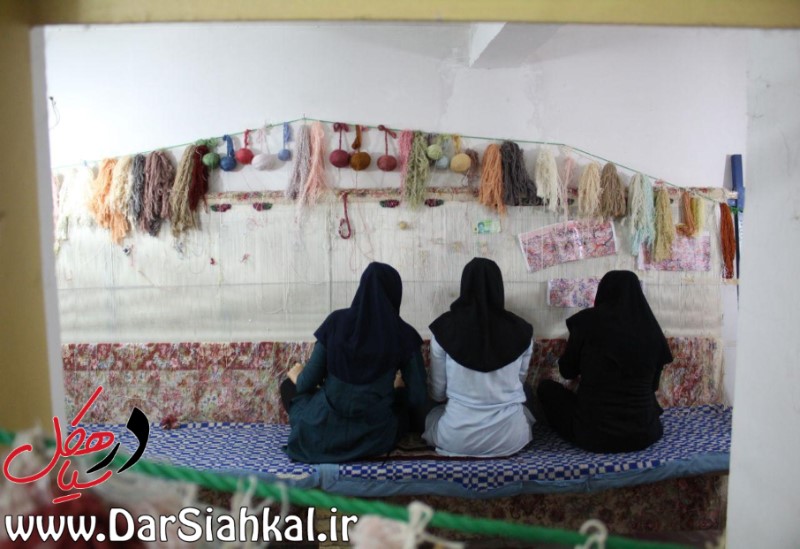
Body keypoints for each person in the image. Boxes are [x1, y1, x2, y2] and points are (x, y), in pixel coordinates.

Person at [280, 262, 427, 463]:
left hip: (323, 429)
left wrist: (298, 375)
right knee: (403, 410)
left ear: (362, 289)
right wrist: (397, 389)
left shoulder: (335, 323)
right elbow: (418, 397)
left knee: (289, 387)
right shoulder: (404, 335)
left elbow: (306, 383)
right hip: (376, 436)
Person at [537, 270, 673, 453]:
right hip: (644, 434)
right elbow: (653, 386)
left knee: (546, 389)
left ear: (603, 292)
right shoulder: (652, 329)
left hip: (595, 435)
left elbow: (567, 372)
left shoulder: (587, 322)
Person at [423, 257, 535, 457]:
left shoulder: (444, 330)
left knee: (431, 415)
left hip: (456, 437)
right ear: (499, 287)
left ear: (464, 285)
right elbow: (520, 381)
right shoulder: (522, 331)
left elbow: (437, 394)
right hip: (511, 437)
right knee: (527, 408)